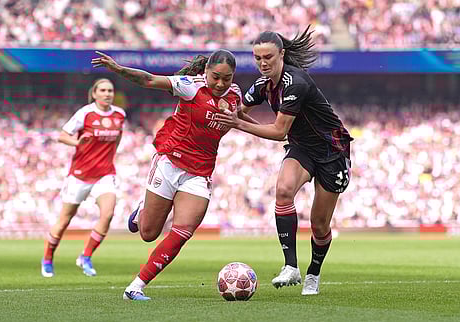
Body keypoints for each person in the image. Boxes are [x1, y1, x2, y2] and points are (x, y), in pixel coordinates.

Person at [91, 49, 242, 300]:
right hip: (170, 162)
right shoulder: (190, 87)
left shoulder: (234, 96)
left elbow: (239, 119)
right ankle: (142, 211)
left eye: (226, 78)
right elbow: (149, 80)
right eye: (215, 77)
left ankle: (135, 286)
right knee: (148, 233)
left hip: (199, 173)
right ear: (206, 72)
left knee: (183, 231)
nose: (220, 83)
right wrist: (119, 70)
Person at [215, 26, 353, 295]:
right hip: (301, 148)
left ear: (282, 54)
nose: (263, 63)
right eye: (258, 58)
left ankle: (313, 272)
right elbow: (239, 112)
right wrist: (226, 110)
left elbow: (278, 132)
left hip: (331, 151)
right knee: (283, 190)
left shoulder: (295, 83)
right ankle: (291, 266)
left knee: (320, 224)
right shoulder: (261, 86)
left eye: (268, 57)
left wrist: (237, 123)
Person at [41, 78, 125, 278]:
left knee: (108, 214)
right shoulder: (85, 113)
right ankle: (47, 258)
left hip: (104, 174)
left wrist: (110, 157)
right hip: (80, 175)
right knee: (64, 220)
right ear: (94, 93)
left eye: (110, 90)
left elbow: (118, 138)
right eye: (103, 90)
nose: (107, 94)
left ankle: (85, 256)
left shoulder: (119, 115)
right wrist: (77, 142)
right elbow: (62, 135)